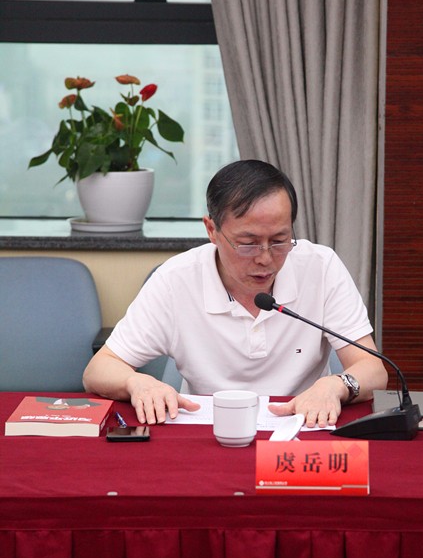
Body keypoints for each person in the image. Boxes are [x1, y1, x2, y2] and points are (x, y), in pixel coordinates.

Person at [83, 160, 388, 426]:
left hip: (302, 428)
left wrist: (337, 385)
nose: (265, 258)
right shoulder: (176, 280)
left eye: (279, 240)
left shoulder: (320, 267)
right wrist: (136, 382)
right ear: (212, 230)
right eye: (248, 243)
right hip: (207, 433)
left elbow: (373, 370)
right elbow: (98, 370)